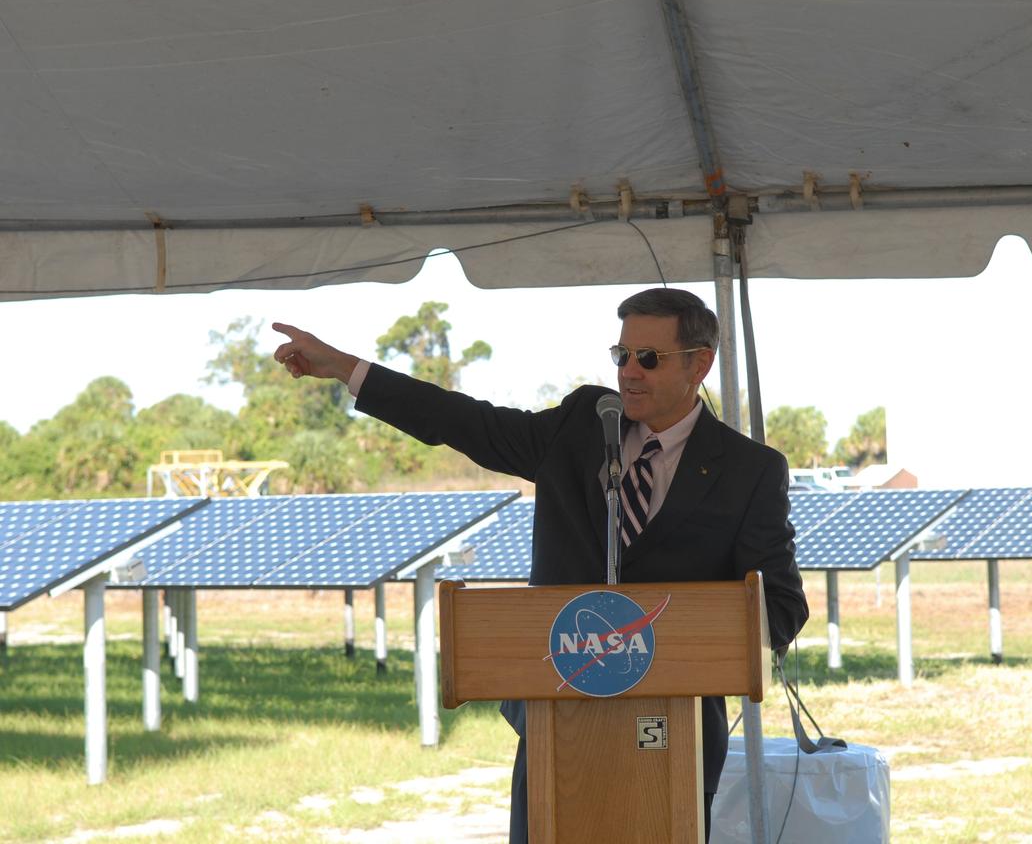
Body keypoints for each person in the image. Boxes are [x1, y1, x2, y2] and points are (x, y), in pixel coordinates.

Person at [273, 287, 808, 843]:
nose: (629, 372)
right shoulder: (582, 424)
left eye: (650, 358)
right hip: (556, 720)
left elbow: (782, 607)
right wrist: (346, 368)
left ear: (700, 365)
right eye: (622, 354)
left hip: (675, 735)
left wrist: (682, 633)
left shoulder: (749, 470)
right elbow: (465, 422)